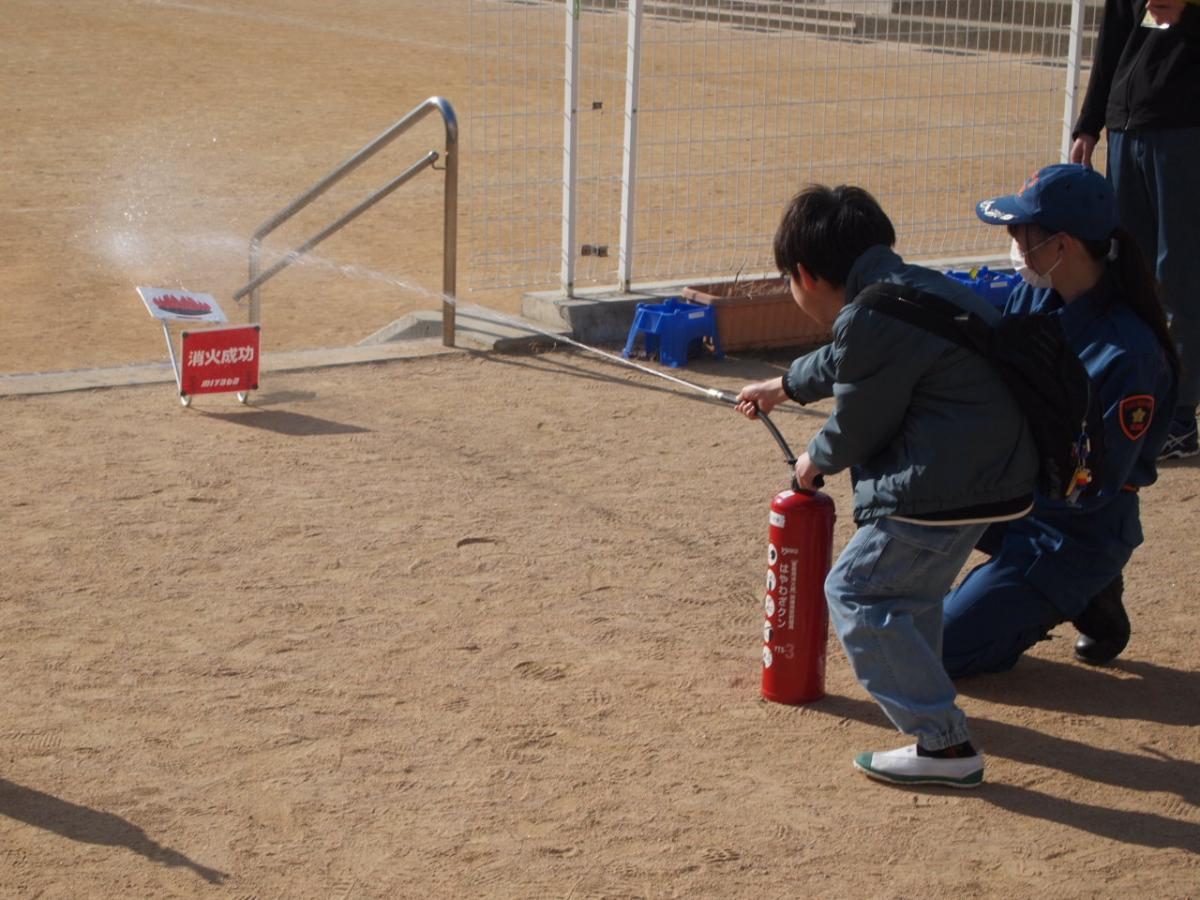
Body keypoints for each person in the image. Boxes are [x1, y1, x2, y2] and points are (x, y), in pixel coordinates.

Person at [736, 185, 1039, 788]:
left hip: (942, 485)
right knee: (911, 596)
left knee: (859, 595)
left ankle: (944, 744)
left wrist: (814, 462)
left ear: (805, 274)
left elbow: (860, 417)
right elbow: (856, 358)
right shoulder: (907, 289)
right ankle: (934, 717)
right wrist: (786, 385)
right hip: (994, 475)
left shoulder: (871, 316)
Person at [942, 163, 1179, 678]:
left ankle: (1083, 589)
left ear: (1063, 245)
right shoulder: (1038, 292)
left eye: (1020, 231)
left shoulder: (1129, 353)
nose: (1012, 241)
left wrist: (988, 477)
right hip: (1021, 495)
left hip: (1073, 527)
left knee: (939, 650)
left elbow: (1089, 485)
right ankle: (1067, 594)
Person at [1070, 0, 1200, 459]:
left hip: (1186, 130)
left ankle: (1179, 416)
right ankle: (1133, 400)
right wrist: (1089, 124)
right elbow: (1113, 40)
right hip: (1128, 128)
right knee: (1128, 271)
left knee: (1179, 273)